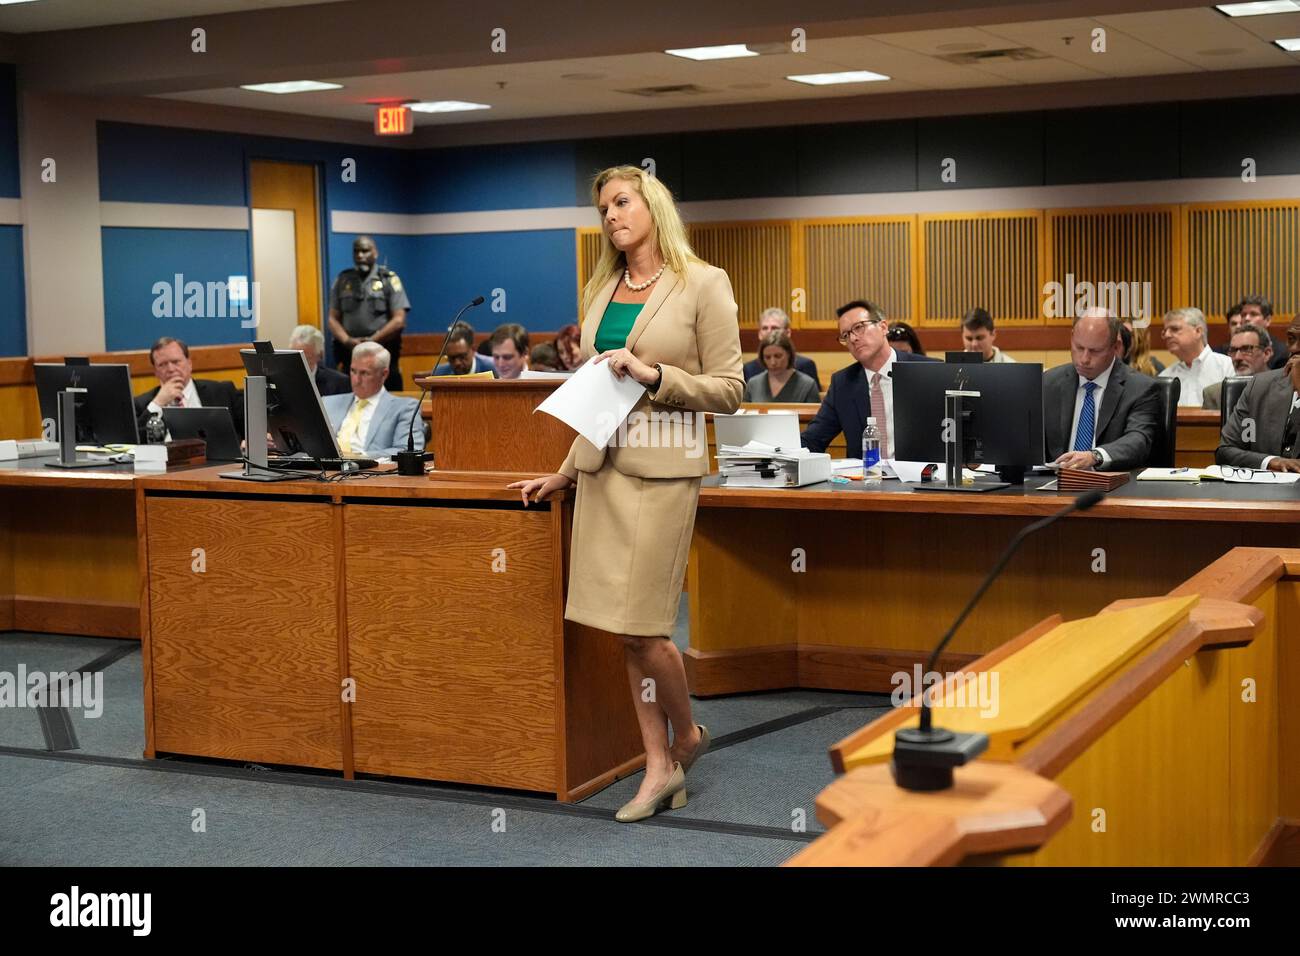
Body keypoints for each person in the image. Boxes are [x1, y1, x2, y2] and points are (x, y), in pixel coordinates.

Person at [507, 165, 742, 824]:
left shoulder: (703, 283)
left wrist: (655, 372)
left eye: (621, 201)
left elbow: (728, 387)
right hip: (604, 472)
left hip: (665, 472)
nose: (610, 215)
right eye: (603, 208)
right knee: (621, 633)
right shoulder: (604, 288)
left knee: (646, 628)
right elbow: (595, 393)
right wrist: (568, 469)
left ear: (652, 205)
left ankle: (686, 736)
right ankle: (658, 763)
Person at [801, 300, 936, 460]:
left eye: (859, 327)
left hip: (919, 479)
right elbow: (813, 440)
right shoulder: (843, 383)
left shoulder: (928, 371)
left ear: (883, 327)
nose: (853, 339)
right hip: (865, 480)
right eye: (846, 335)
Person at [1042, 308, 1161, 471]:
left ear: (1116, 346)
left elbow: (1138, 440)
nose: (1084, 359)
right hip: (1053, 484)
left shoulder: (1140, 388)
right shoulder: (1049, 382)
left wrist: (1095, 456)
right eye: (1079, 347)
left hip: (1112, 487)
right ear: (1071, 338)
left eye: (1095, 351)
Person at [1216, 316, 1300, 473]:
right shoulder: (1259, 386)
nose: (1294, 348)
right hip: (1264, 492)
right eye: (1291, 339)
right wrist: (1270, 462)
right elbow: (1226, 451)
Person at [327, 236, 410, 391]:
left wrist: (372, 340)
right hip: (350, 353)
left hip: (382, 352)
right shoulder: (343, 279)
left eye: (365, 251)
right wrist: (347, 341)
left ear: (375, 253)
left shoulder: (388, 279)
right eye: (356, 251)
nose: (360, 255)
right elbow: (332, 318)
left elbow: (399, 320)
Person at [321, 342, 422, 458]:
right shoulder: (328, 403)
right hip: (326, 470)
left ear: (384, 374)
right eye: (353, 371)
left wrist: (359, 457)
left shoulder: (405, 408)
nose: (356, 380)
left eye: (364, 373)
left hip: (370, 473)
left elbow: (409, 451)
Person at [133, 336, 244, 439]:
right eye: (162, 364)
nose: (171, 369)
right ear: (156, 372)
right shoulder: (142, 404)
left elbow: (253, 425)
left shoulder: (222, 391)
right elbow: (133, 442)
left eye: (176, 362)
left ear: (189, 364)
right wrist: (158, 403)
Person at [1159, 307, 1233, 407]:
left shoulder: (1227, 366)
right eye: (1165, 331)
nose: (1167, 335)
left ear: (1198, 331)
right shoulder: (1165, 376)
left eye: (1175, 329)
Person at [741, 307, 821, 387]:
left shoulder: (805, 366)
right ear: (759, 334)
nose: (769, 332)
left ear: (788, 333)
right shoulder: (748, 369)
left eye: (775, 328)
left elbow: (815, 398)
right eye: (765, 328)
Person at [1203, 325, 1273, 410]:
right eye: (1233, 350)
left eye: (1247, 349)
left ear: (1266, 353)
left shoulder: (1286, 389)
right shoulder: (1216, 395)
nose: (1237, 357)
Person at [742, 332, 820, 403]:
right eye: (767, 357)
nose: (773, 362)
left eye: (778, 356)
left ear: (789, 354)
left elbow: (813, 416)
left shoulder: (807, 385)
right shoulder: (753, 384)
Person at [288, 325, 350, 396]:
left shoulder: (339, 383)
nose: (299, 364)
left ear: (319, 355)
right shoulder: (282, 380)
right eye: (295, 358)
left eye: (306, 359)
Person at [1235, 294, 1289, 370]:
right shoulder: (1233, 348)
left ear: (1267, 320)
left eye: (1253, 314)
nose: (1246, 318)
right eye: (1243, 315)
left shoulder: (1281, 352)